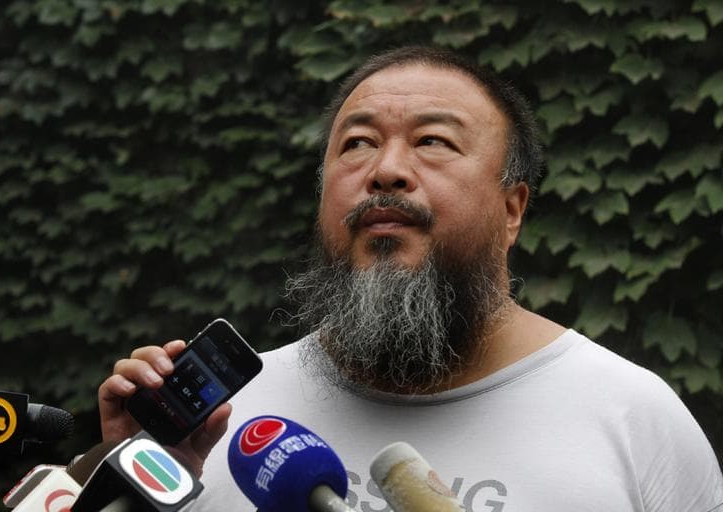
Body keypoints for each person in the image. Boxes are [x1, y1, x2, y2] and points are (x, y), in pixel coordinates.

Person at [98, 46, 723, 511]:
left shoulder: (631, 419)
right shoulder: (223, 428)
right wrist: (119, 475)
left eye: (433, 141)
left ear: (513, 210)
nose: (386, 170)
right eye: (358, 143)